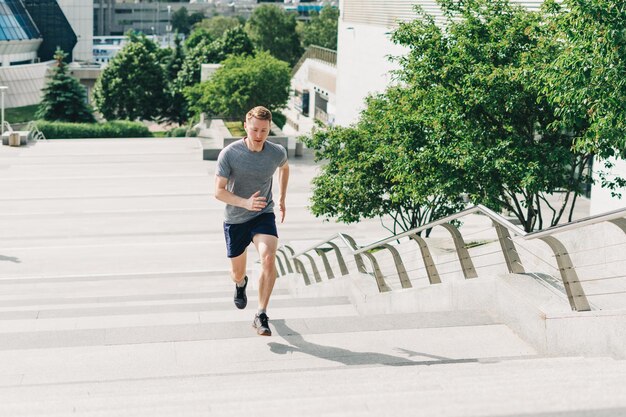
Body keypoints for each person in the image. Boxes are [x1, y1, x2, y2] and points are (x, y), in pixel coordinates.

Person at [214, 106, 289, 336]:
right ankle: (240, 283)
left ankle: (261, 313)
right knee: (237, 272)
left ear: (269, 131)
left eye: (264, 131)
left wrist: (282, 197)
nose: (259, 135)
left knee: (268, 258)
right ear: (245, 127)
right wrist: (245, 203)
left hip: (263, 214)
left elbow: (285, 168)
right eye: (255, 129)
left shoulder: (276, 152)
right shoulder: (230, 153)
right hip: (236, 218)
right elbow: (218, 191)